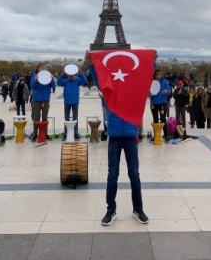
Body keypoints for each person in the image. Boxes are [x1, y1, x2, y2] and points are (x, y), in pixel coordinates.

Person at [85, 51, 149, 227]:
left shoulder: (134, 97)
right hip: (114, 138)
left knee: (134, 175)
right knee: (112, 175)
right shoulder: (109, 96)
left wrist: (152, 62)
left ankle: (138, 209)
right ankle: (110, 210)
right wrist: (91, 64)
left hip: (130, 138)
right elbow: (99, 81)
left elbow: (144, 80)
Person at [57, 68, 88, 140]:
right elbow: (58, 82)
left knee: (75, 118)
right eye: (68, 75)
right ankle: (66, 133)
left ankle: (75, 133)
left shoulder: (77, 81)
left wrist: (80, 73)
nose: (70, 76)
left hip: (75, 102)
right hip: (67, 102)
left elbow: (84, 80)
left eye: (71, 75)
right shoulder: (65, 82)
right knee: (66, 118)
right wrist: (62, 74)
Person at [30, 63, 56, 141]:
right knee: (37, 117)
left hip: (46, 99)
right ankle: (35, 133)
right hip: (37, 99)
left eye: (45, 67)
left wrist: (52, 80)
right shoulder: (34, 76)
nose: (43, 69)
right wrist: (36, 81)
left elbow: (53, 86)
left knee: (45, 117)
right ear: (38, 68)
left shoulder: (48, 76)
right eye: (42, 67)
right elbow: (32, 86)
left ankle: (45, 133)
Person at [149, 70, 171, 140]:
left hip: (162, 103)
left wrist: (166, 91)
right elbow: (147, 91)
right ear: (154, 75)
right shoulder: (151, 82)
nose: (159, 76)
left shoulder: (165, 82)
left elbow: (169, 91)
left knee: (163, 119)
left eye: (160, 74)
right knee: (155, 119)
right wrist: (149, 94)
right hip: (154, 104)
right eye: (157, 74)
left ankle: (166, 135)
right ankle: (156, 135)